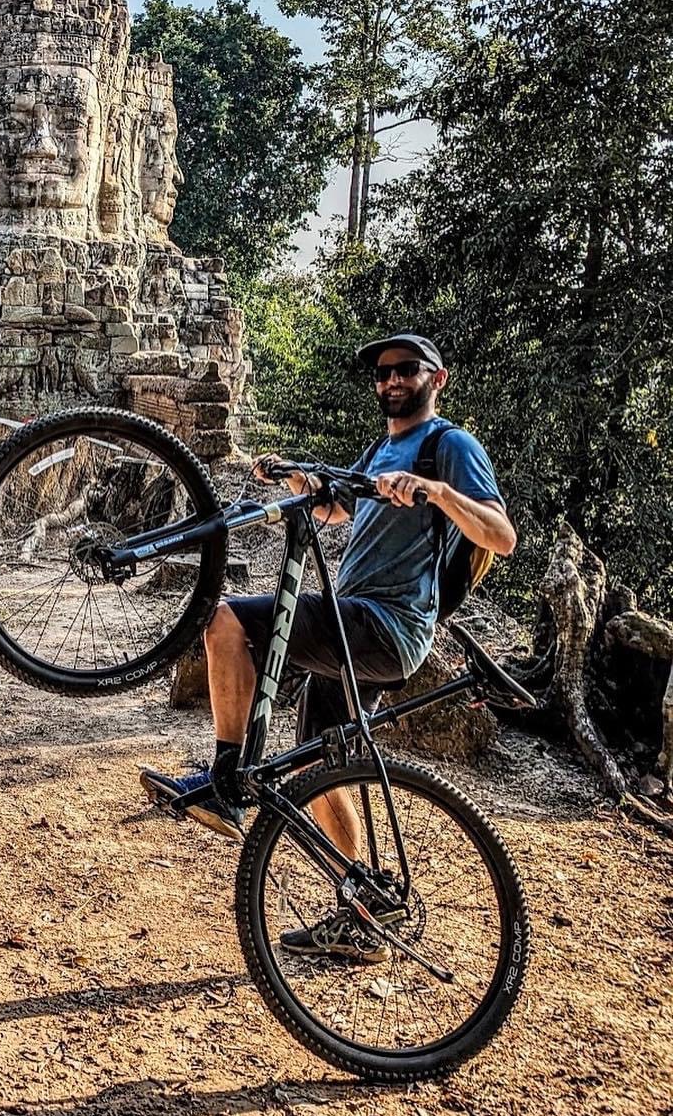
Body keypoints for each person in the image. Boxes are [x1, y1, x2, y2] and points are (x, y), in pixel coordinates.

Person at [140, 332, 516, 958]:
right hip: (357, 631)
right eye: (383, 373)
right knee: (319, 763)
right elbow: (336, 511)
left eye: (405, 370)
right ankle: (368, 902)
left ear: (436, 378)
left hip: (383, 626)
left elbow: (501, 535)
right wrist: (303, 481)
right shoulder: (380, 451)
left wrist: (438, 493)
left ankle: (226, 782)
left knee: (227, 622)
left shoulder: (449, 444)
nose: (392, 380)